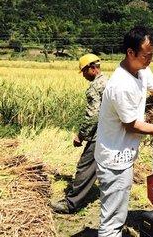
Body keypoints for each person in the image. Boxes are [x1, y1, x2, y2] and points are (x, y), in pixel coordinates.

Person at [94, 26, 153, 237]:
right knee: (112, 221)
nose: (150, 59)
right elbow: (132, 125)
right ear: (130, 53)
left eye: (152, 55)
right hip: (114, 158)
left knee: (118, 212)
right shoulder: (120, 85)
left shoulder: (142, 70)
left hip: (125, 154)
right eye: (146, 55)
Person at [51, 53, 108, 214]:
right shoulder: (108, 81)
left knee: (85, 167)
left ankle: (71, 204)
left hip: (100, 134)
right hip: (112, 133)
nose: (83, 75)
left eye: (83, 71)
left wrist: (80, 136)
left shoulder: (95, 86)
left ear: (92, 68)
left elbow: (92, 116)